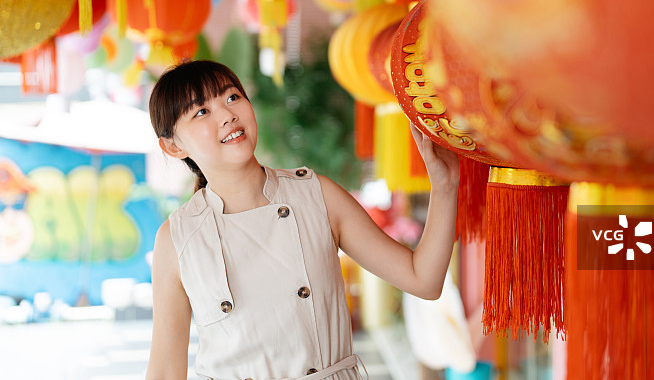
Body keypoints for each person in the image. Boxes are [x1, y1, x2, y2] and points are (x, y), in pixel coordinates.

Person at [145, 60, 459, 380]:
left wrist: (445, 186)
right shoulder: (177, 238)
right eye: (201, 112)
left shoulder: (316, 196)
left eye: (232, 97)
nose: (227, 115)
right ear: (173, 146)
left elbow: (424, 280)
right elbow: (165, 371)